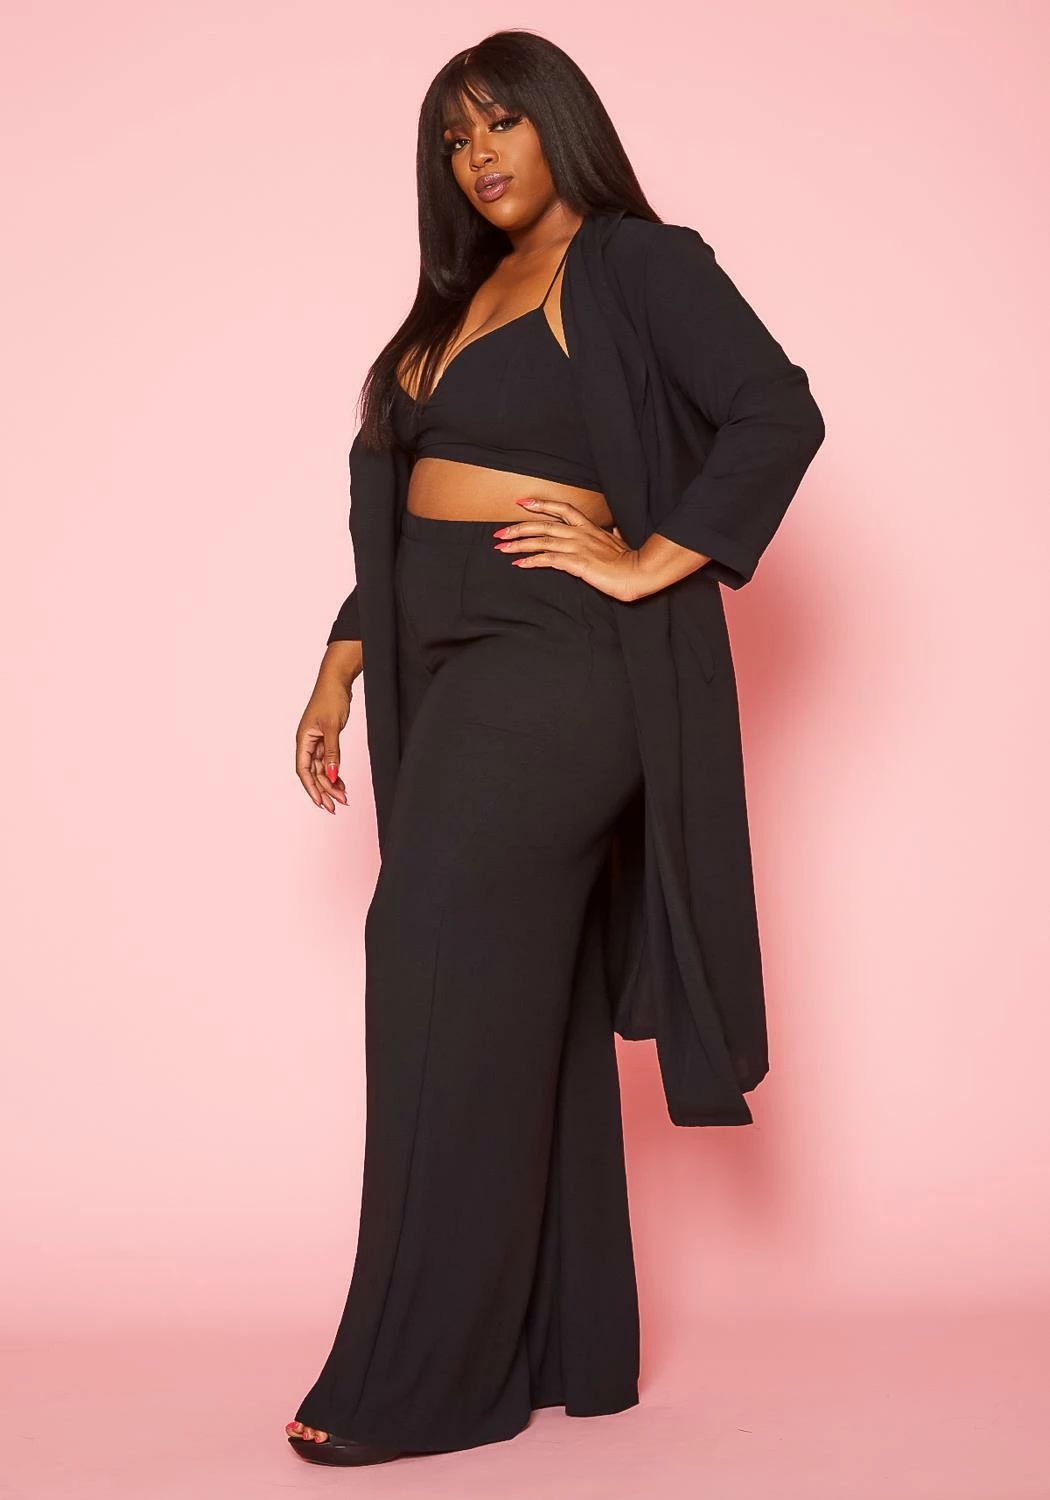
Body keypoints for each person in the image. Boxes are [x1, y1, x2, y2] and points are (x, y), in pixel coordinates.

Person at [286, 29, 825, 1468]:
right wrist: (340, 664)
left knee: (428, 955)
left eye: (501, 124)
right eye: (454, 139)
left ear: (558, 124)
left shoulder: (636, 263)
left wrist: (654, 556)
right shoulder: (458, 293)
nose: (478, 156)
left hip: (559, 655)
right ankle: (559, 1349)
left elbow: (776, 409)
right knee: (516, 992)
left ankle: (419, 1375)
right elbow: (403, 514)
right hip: (435, 657)